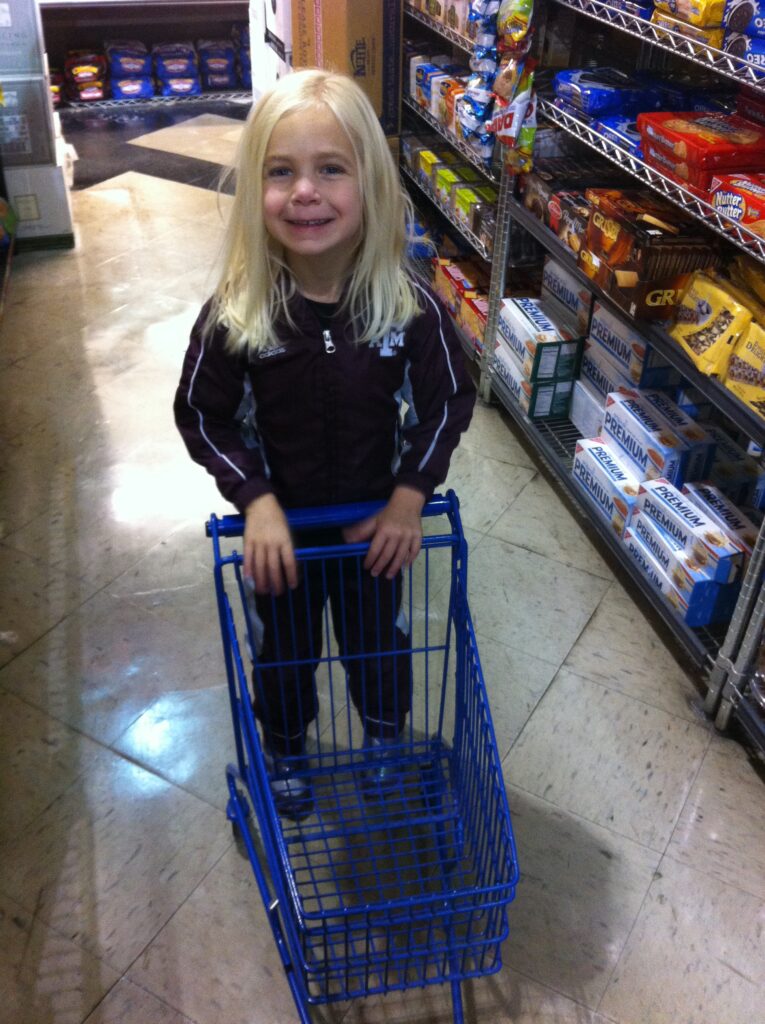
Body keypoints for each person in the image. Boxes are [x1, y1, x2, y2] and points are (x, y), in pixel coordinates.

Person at [174, 68, 476, 818]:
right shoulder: (238, 313)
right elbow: (199, 414)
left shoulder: (408, 306)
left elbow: (449, 400)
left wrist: (409, 496)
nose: (304, 192)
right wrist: (256, 500)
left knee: (381, 649)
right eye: (280, 172)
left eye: (330, 169)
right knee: (282, 656)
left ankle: (382, 740)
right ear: (255, 190)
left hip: (375, 535)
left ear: (370, 184)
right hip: (281, 542)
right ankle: (284, 751)